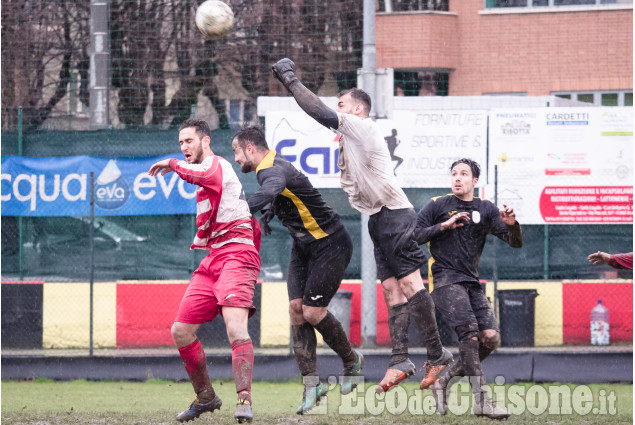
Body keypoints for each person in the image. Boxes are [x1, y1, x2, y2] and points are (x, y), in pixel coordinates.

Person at [271, 58, 452, 394]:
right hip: (379, 220)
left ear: (357, 109)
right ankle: (400, 360)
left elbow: (320, 113)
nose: (335, 109)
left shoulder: (362, 126)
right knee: (391, 290)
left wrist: (290, 80)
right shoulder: (349, 142)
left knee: (411, 285)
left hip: (396, 216)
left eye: (341, 104)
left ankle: (438, 355)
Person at [231, 125, 363, 415]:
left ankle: (351, 360)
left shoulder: (271, 171)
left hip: (331, 244)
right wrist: (268, 213)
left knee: (313, 312)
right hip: (303, 247)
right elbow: (282, 195)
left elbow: (272, 188)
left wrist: (239, 209)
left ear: (250, 149)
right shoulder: (272, 166)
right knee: (295, 308)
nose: (236, 159)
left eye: (236, 152)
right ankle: (312, 384)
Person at [148, 119, 260, 423]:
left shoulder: (217, 165)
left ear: (205, 141)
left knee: (236, 328)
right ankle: (206, 397)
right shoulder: (205, 174)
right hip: (214, 260)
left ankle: (244, 400)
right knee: (180, 331)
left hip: (236, 256)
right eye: (180, 143)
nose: (184, 148)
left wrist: (171, 163)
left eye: (189, 141)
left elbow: (201, 174)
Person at [414, 158, 522, 419]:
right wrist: (443, 226)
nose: (457, 178)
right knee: (470, 336)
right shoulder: (438, 205)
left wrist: (512, 225)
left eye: (464, 174)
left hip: (471, 283)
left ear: (475, 181)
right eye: (454, 173)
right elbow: (414, 235)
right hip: (444, 280)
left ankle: (445, 379)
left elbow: (515, 243)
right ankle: (482, 401)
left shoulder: (485, 208)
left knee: (490, 338)